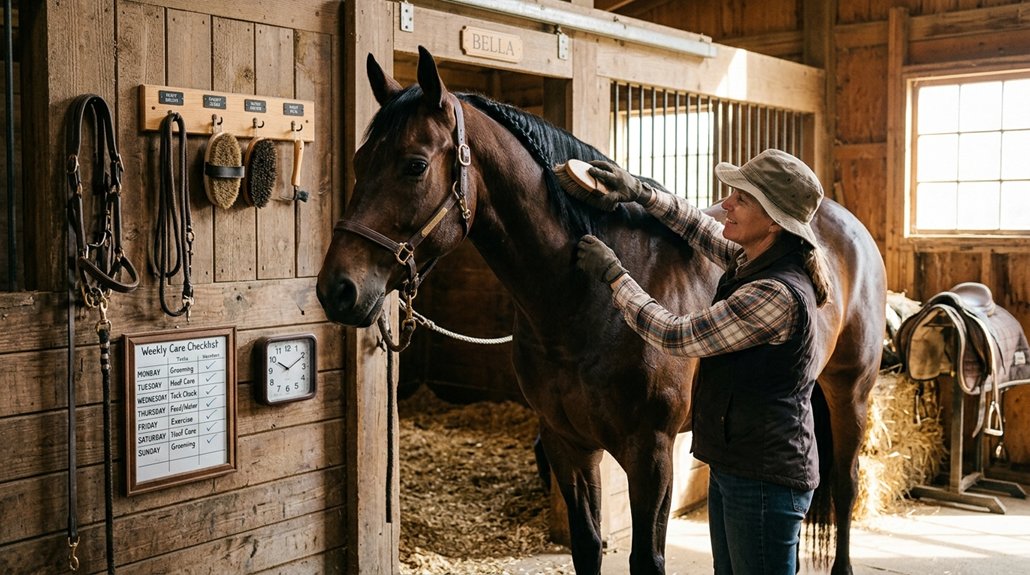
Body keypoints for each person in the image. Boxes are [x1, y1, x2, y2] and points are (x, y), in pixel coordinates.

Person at [574, 149, 831, 575]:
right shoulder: (753, 258)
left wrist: (615, 277)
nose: (726, 203)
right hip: (737, 461)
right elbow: (696, 225)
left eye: (741, 198)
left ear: (773, 220)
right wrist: (639, 190)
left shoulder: (775, 294)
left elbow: (676, 335)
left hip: (765, 477)